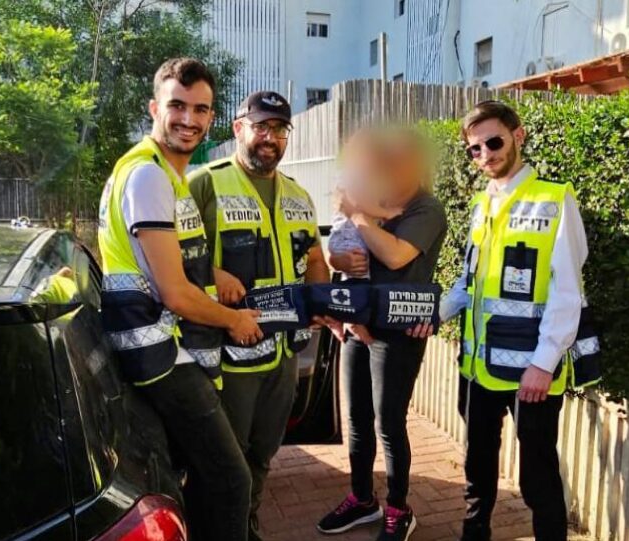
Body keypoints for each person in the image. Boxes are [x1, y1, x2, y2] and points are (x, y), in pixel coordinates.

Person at [97, 57, 263, 541]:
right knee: (231, 481)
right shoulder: (149, 176)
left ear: (212, 117)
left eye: (200, 109)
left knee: (197, 477)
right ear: (155, 108)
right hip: (162, 355)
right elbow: (173, 291)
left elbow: (162, 258)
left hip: (165, 351)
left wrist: (214, 273)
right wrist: (233, 320)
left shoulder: (164, 174)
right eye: (177, 106)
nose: (188, 119)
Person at [439, 101, 601, 541]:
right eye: (474, 149)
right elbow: (470, 281)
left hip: (531, 371)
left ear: (518, 136)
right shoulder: (481, 204)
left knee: (537, 476)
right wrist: (432, 315)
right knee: (477, 468)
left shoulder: (554, 199)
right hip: (478, 369)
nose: (485, 155)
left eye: (493, 142)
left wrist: (544, 363)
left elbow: (567, 292)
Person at [188, 90, 330, 541]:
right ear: (238, 129)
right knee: (222, 461)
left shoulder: (298, 194)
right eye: (261, 126)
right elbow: (169, 257)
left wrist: (320, 302)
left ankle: (245, 525)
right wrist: (213, 273)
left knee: (263, 454)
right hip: (229, 357)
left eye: (280, 129)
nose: (270, 137)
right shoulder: (205, 184)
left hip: (283, 356)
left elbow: (314, 257)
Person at [317, 129, 448, 541]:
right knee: (356, 418)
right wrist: (341, 261)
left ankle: (398, 508)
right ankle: (361, 499)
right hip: (358, 324)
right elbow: (340, 253)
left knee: (388, 422)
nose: (397, 167)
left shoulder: (427, 209)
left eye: (407, 159)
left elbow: (394, 255)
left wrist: (356, 213)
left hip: (398, 332)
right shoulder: (378, 200)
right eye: (392, 160)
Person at [328, 129, 403, 280]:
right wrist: (386, 213)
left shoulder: (368, 178)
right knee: (360, 268)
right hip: (348, 236)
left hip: (352, 236)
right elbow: (357, 202)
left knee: (359, 271)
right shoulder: (351, 175)